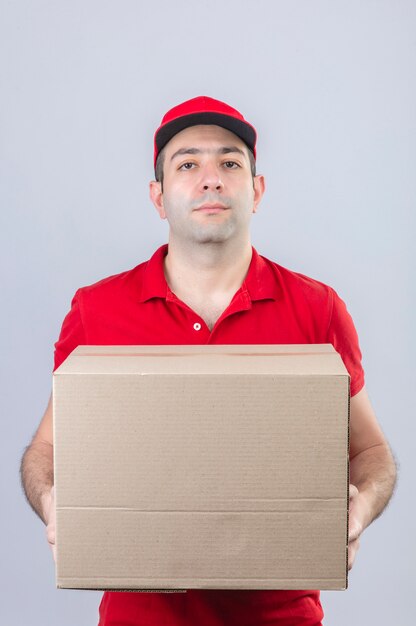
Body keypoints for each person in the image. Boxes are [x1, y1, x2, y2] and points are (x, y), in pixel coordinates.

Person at [20, 95, 397, 626]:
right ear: (158, 196)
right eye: (188, 164)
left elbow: (372, 450)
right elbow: (45, 450)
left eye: (230, 163)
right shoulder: (97, 310)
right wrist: (52, 503)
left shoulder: (318, 309)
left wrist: (359, 509)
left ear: (257, 190)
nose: (211, 178)